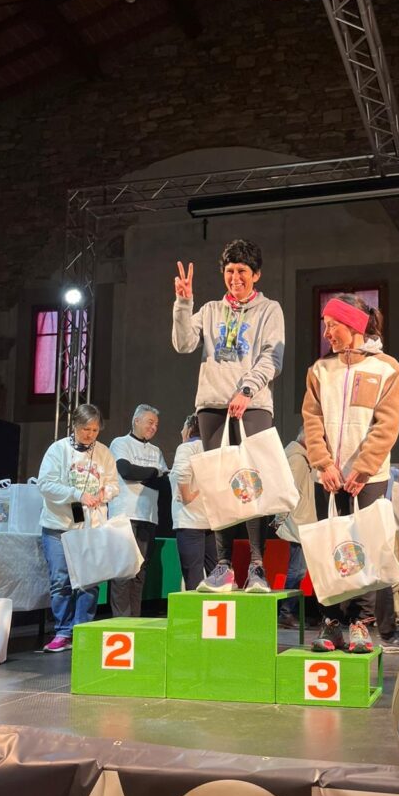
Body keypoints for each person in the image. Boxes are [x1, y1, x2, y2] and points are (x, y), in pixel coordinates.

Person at [302, 293, 399, 653]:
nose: (327, 333)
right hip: (329, 477)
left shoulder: (387, 368)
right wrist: (324, 463)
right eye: (325, 325)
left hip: (368, 478)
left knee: (367, 549)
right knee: (332, 548)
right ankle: (331, 623)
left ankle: (360, 624)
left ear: (353, 325)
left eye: (332, 325)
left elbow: (386, 425)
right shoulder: (320, 369)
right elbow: (311, 420)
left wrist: (363, 468)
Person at [172, 239, 284, 593]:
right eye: (230, 271)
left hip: (253, 404)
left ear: (256, 274)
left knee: (251, 483)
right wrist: (183, 303)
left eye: (242, 271)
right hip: (212, 406)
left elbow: (273, 356)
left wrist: (247, 389)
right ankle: (222, 566)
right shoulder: (210, 310)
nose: (235, 278)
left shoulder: (270, 310)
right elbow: (183, 344)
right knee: (218, 484)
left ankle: (257, 566)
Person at [37, 404, 119, 653]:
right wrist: (77, 494)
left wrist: (105, 493)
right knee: (60, 580)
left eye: (95, 430)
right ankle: (63, 631)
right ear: (74, 425)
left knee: (89, 581)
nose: (90, 434)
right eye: (85, 429)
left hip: (91, 526)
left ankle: (82, 629)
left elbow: (114, 485)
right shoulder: (58, 450)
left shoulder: (104, 452)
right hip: (59, 525)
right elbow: (45, 484)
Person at [108, 404, 168, 617]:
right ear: (136, 421)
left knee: (140, 571)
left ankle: (135, 618)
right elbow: (126, 470)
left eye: (156, 425)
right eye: (150, 422)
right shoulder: (120, 443)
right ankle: (120, 620)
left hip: (148, 516)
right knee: (123, 570)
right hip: (124, 514)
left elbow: (164, 482)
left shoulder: (156, 451)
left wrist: (145, 475)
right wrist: (153, 473)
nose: (154, 428)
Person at [170, 414, 217, 591]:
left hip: (190, 519)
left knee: (193, 577)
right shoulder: (213, 449)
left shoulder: (187, 447)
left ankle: (196, 610)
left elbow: (182, 472)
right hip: (212, 520)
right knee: (216, 576)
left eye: (183, 427)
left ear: (190, 428)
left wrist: (186, 495)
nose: (181, 431)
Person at [275, 427, 315, 629]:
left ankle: (289, 612)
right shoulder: (298, 459)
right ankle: (286, 613)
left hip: (301, 521)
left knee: (298, 570)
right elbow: (288, 493)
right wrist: (280, 520)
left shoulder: (300, 457)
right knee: (297, 571)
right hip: (298, 522)